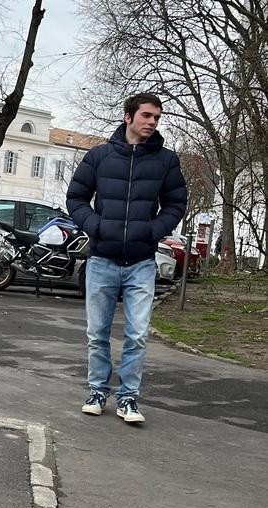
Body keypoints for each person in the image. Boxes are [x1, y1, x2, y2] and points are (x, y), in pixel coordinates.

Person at [67, 93, 186, 424]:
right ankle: (97, 391)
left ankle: (128, 398)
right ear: (128, 117)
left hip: (141, 262)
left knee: (137, 334)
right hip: (102, 260)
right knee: (97, 333)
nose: (152, 122)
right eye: (146, 115)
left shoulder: (166, 161)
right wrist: (97, 226)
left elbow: (176, 204)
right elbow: (76, 198)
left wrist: (152, 231)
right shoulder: (99, 157)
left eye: (156, 118)